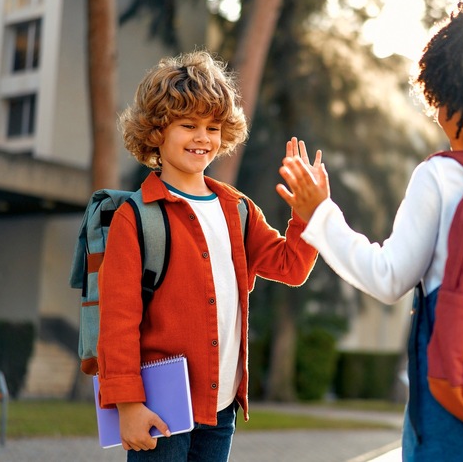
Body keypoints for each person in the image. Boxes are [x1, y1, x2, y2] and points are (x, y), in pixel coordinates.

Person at [276, 0, 463, 461]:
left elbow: (388, 277)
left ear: (455, 96)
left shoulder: (441, 175)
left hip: (456, 417)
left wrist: (321, 213)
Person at [96, 50, 318, 461]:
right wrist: (126, 405)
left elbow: (291, 267)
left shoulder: (238, 209)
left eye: (213, 127)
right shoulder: (136, 216)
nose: (203, 138)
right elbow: (118, 320)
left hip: (221, 410)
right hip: (159, 409)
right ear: (157, 130)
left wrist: (306, 215)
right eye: (188, 125)